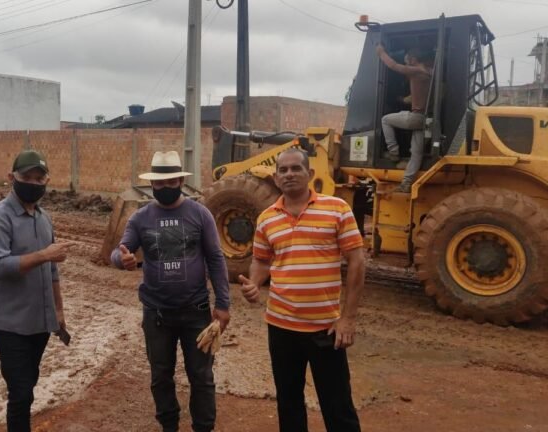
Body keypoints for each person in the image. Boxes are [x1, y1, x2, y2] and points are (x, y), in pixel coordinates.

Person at [238, 148, 366, 432]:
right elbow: (261, 260)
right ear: (275, 177)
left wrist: (348, 318)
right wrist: (254, 283)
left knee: (338, 406)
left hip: (326, 328)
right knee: (289, 403)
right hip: (281, 328)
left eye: (296, 168)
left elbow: (357, 261)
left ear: (309, 174)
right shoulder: (267, 218)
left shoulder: (337, 209)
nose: (289, 174)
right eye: (283, 170)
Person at [111, 150, 230, 432]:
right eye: (160, 184)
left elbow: (215, 258)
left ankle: (203, 427)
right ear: (152, 184)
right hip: (157, 314)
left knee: (201, 376)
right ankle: (169, 426)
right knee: (160, 375)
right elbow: (119, 252)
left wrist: (223, 304)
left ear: (180, 181)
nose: (165, 188)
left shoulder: (200, 214)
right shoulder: (140, 218)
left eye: (171, 182)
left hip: (196, 312)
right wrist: (122, 259)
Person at [0, 149, 73, 432]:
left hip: (39, 322)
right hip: (9, 323)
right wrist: (44, 254)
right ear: (11, 178)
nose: (32, 183)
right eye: (26, 177)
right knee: (19, 393)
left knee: (28, 386)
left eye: (38, 178)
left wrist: (59, 310)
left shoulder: (44, 219)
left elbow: (52, 269)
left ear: (47, 181)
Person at [377, 44, 434, 193]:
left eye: (407, 60)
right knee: (416, 154)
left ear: (414, 60)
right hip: (427, 121)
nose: (406, 63)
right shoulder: (429, 72)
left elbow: (394, 66)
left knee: (385, 120)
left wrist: (381, 52)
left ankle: (393, 153)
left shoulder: (416, 71)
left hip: (416, 117)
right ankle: (406, 184)